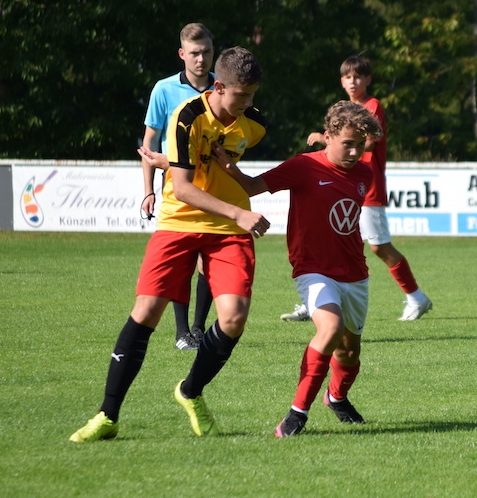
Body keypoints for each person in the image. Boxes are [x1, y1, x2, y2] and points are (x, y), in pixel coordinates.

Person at [69, 47, 271, 443]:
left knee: (233, 318)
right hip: (180, 222)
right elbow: (183, 189)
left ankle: (190, 391)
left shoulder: (254, 122)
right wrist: (237, 211)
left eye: (252, 96)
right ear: (219, 87)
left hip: (227, 232)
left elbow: (220, 159)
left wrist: (207, 167)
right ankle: (107, 415)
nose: (248, 104)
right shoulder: (187, 116)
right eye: (241, 96)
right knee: (146, 311)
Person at [215, 101, 382, 437]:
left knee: (349, 353)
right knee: (330, 328)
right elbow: (252, 186)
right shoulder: (304, 167)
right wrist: (228, 166)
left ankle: (336, 397)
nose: (354, 152)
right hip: (313, 269)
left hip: (355, 273)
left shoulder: (364, 174)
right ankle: (297, 414)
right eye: (347, 144)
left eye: (360, 145)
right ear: (328, 137)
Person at [281, 55, 433, 323]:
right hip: (343, 184)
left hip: (366, 186)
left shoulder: (372, 106)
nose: (353, 82)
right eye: (348, 77)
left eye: (358, 77)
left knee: (379, 246)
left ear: (368, 79)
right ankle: (315, 299)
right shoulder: (345, 110)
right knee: (324, 239)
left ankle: (416, 297)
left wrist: (324, 140)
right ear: (341, 81)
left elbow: (370, 142)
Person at [141, 23, 217, 350]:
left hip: (214, 183)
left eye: (207, 52)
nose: (201, 59)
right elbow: (149, 142)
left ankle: (198, 329)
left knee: (209, 260)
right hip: (177, 185)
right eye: (195, 53)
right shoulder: (164, 89)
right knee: (184, 258)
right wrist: (148, 190)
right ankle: (182, 331)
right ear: (182, 54)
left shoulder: (223, 87)